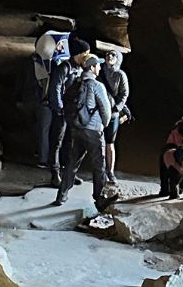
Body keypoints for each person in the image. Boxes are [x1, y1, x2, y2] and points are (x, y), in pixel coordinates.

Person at [54, 56, 114, 208]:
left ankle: (62, 195)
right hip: (93, 131)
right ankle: (99, 198)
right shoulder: (96, 85)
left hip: (77, 129)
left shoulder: (75, 83)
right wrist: (103, 125)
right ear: (93, 68)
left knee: (72, 163)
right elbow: (106, 110)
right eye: (98, 66)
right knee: (99, 165)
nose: (99, 68)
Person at [46, 38, 91, 187]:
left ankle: (69, 173)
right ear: (78, 53)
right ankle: (55, 174)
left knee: (70, 143)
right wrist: (59, 108)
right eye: (85, 53)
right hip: (62, 111)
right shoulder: (64, 68)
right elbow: (55, 87)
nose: (87, 56)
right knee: (57, 142)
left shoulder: (79, 68)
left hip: (73, 112)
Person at [29, 31, 70, 168]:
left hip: (46, 101)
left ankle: (44, 158)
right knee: (54, 133)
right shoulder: (61, 64)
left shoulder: (40, 62)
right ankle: (51, 159)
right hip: (53, 102)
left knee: (45, 130)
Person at [99, 49, 130, 185]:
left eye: (113, 55)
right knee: (98, 141)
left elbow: (124, 94)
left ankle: (109, 171)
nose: (109, 57)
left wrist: (116, 108)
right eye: (108, 54)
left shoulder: (120, 75)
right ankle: (100, 171)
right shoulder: (99, 71)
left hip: (113, 113)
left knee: (109, 142)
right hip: (99, 112)